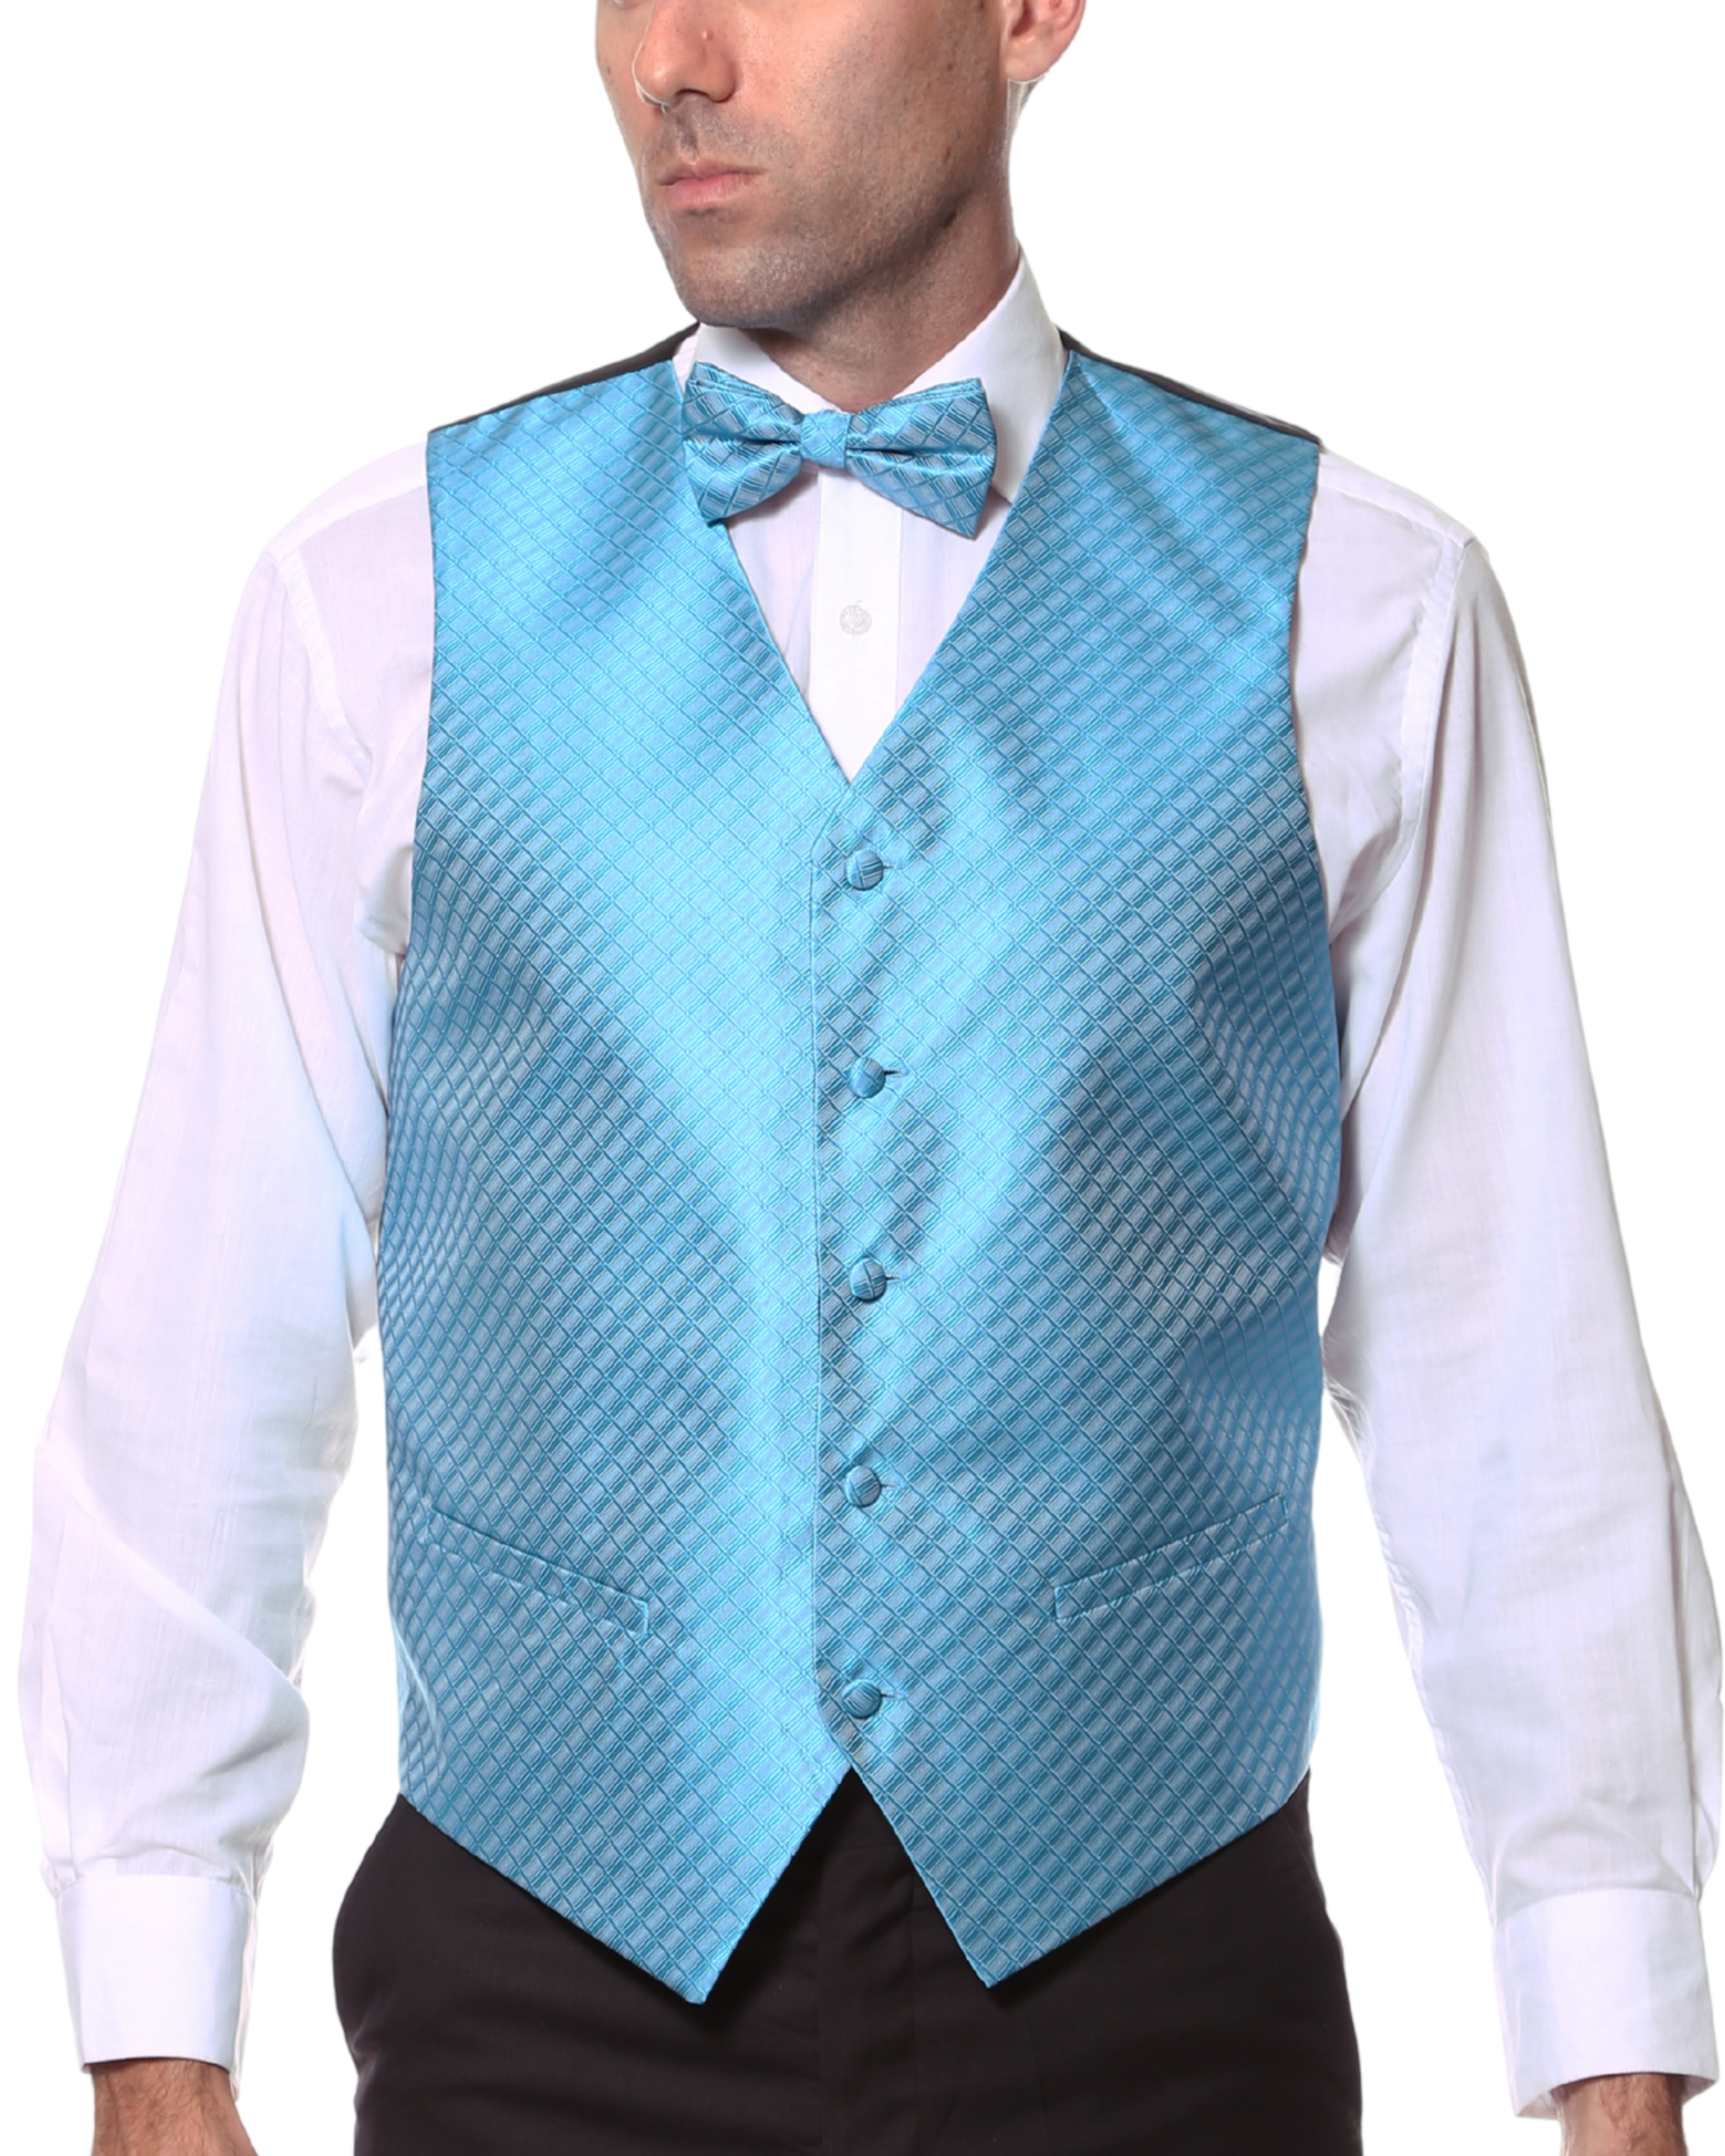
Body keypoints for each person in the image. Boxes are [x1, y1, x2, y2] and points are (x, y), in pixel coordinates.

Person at [20, 2, 1720, 2151]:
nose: (674, 57)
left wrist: (1612, 2034)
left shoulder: (1358, 606)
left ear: (1026, 13)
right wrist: (153, 2022)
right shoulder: (376, 601)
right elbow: (207, 1331)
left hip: (1157, 1990)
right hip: (541, 1982)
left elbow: (1506, 1361)